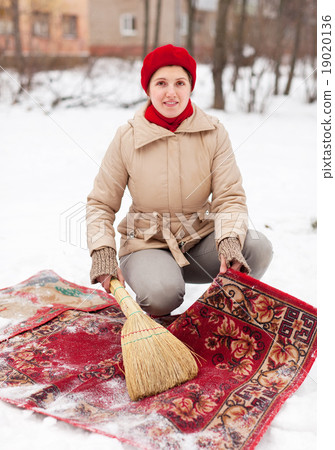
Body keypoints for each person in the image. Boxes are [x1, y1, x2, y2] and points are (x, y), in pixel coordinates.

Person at [86, 44, 273, 318]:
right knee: (162, 294)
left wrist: (229, 240)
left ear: (190, 87)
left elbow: (229, 197)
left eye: (179, 83)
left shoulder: (213, 132)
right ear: (148, 89)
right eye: (161, 83)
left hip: (199, 243)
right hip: (146, 245)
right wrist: (102, 251)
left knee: (257, 247)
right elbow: (100, 204)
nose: (171, 92)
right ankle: (154, 314)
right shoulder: (127, 137)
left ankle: (221, 318)